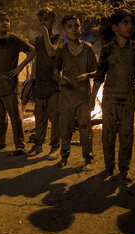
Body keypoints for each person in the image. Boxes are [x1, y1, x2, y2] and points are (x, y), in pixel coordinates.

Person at [91, 9, 135, 182]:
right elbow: (99, 75)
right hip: (109, 100)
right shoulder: (108, 50)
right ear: (115, 27)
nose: (129, 26)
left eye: (131, 23)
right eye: (125, 23)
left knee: (126, 135)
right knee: (108, 135)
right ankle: (109, 167)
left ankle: (124, 169)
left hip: (128, 100)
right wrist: (92, 98)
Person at [0, 11, 35, 155]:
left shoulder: (14, 39)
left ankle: (20, 145)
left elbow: (32, 50)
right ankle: (0, 142)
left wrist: (20, 67)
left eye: (7, 20)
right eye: (2, 20)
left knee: (15, 117)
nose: (5, 23)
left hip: (11, 85)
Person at [54, 15, 97, 171]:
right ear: (64, 31)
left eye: (76, 25)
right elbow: (54, 70)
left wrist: (87, 75)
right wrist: (60, 78)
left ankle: (88, 158)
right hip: (66, 97)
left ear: (80, 28)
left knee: (86, 128)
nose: (73, 29)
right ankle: (64, 156)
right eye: (69, 26)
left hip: (83, 96)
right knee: (65, 128)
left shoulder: (88, 49)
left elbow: (97, 71)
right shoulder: (62, 50)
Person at [27, 7, 62, 160]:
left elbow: (51, 52)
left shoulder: (56, 37)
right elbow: (37, 58)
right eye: (40, 20)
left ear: (53, 21)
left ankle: (55, 146)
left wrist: (46, 34)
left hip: (53, 84)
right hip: (40, 83)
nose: (42, 22)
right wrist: (31, 77)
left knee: (54, 118)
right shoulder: (38, 40)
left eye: (46, 19)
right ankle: (38, 144)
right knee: (39, 116)